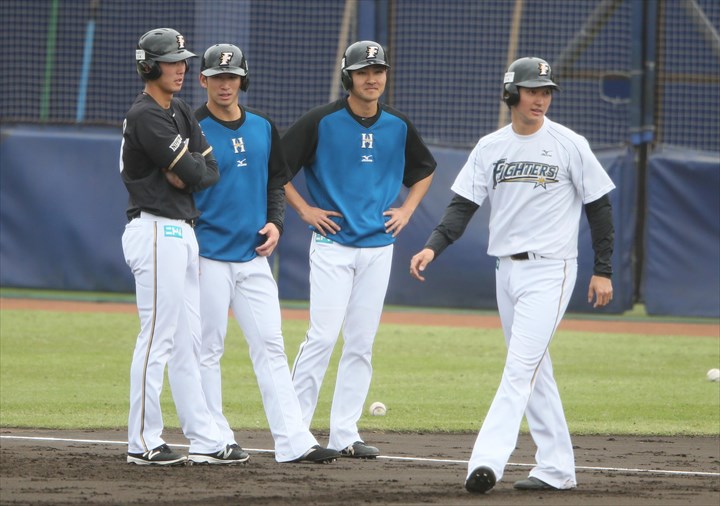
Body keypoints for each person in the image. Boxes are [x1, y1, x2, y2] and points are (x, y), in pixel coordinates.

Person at [410, 56, 615, 493]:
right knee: (536, 370)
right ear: (511, 94)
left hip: (552, 269)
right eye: (532, 91)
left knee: (519, 369)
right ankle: (557, 468)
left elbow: (599, 207)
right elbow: (463, 205)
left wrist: (603, 269)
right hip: (506, 271)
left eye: (546, 92)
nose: (540, 99)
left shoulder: (569, 144)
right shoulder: (490, 147)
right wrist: (432, 245)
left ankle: (486, 462)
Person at [282, 40, 437, 457]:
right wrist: (304, 209)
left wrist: (408, 209)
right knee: (321, 338)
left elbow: (425, 169)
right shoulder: (321, 121)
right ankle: (294, 432)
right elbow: (277, 168)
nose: (372, 78)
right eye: (363, 72)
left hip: (378, 247)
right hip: (332, 243)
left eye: (378, 71)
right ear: (347, 77)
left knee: (361, 343)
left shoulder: (398, 125)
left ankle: (345, 433)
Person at [193, 43, 340, 464]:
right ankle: (214, 439)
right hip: (206, 254)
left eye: (232, 77)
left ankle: (294, 441)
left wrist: (276, 222)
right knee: (208, 348)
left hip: (253, 256)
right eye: (217, 77)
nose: (225, 84)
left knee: (271, 345)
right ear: (203, 80)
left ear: (243, 80)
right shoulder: (192, 127)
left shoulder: (261, 126)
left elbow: (275, 181)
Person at [120, 28, 248, 466]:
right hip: (155, 229)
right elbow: (196, 173)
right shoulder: (145, 115)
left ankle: (205, 438)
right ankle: (142, 440)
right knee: (157, 337)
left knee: (190, 341)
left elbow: (210, 169)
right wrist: (190, 169)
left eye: (182, 61)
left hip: (182, 231)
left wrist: (189, 169)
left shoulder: (177, 110)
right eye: (171, 62)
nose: (181, 68)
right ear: (148, 67)